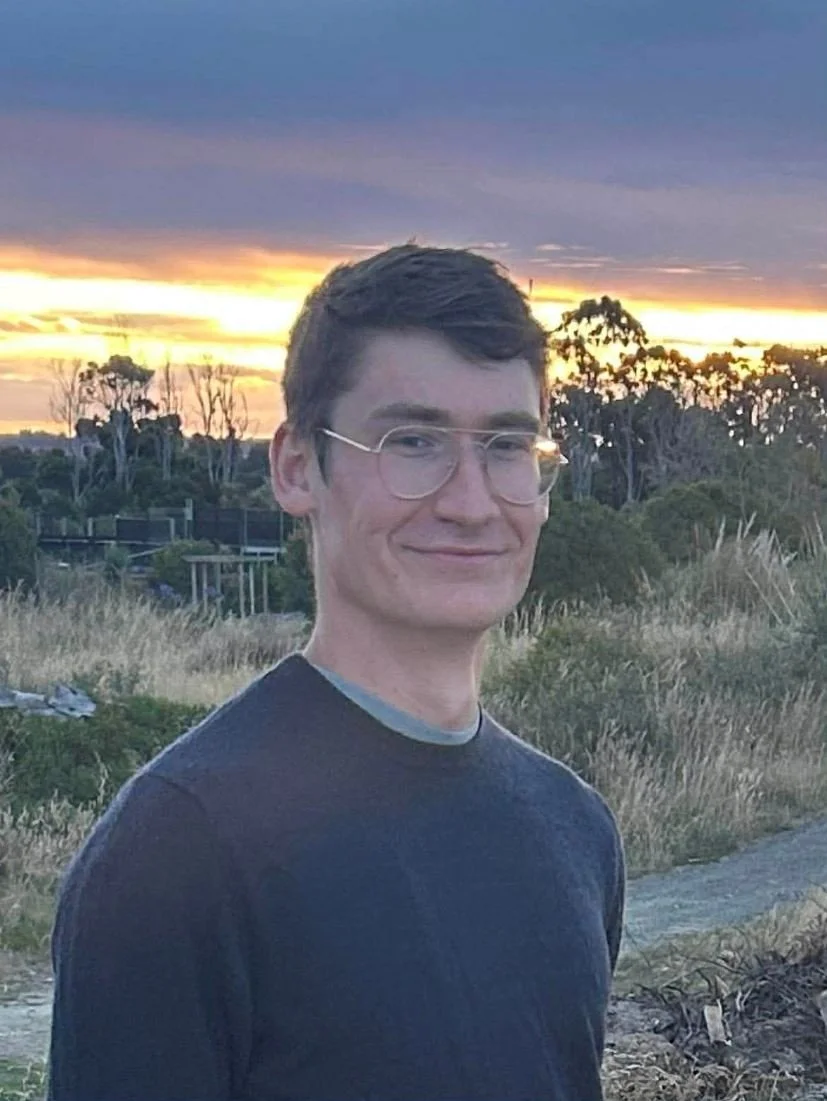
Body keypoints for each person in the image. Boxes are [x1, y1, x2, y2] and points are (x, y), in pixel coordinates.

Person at [48, 243, 625, 1101]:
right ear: (295, 467)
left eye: (507, 445)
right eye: (413, 440)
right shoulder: (180, 850)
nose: (471, 501)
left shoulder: (574, 828)